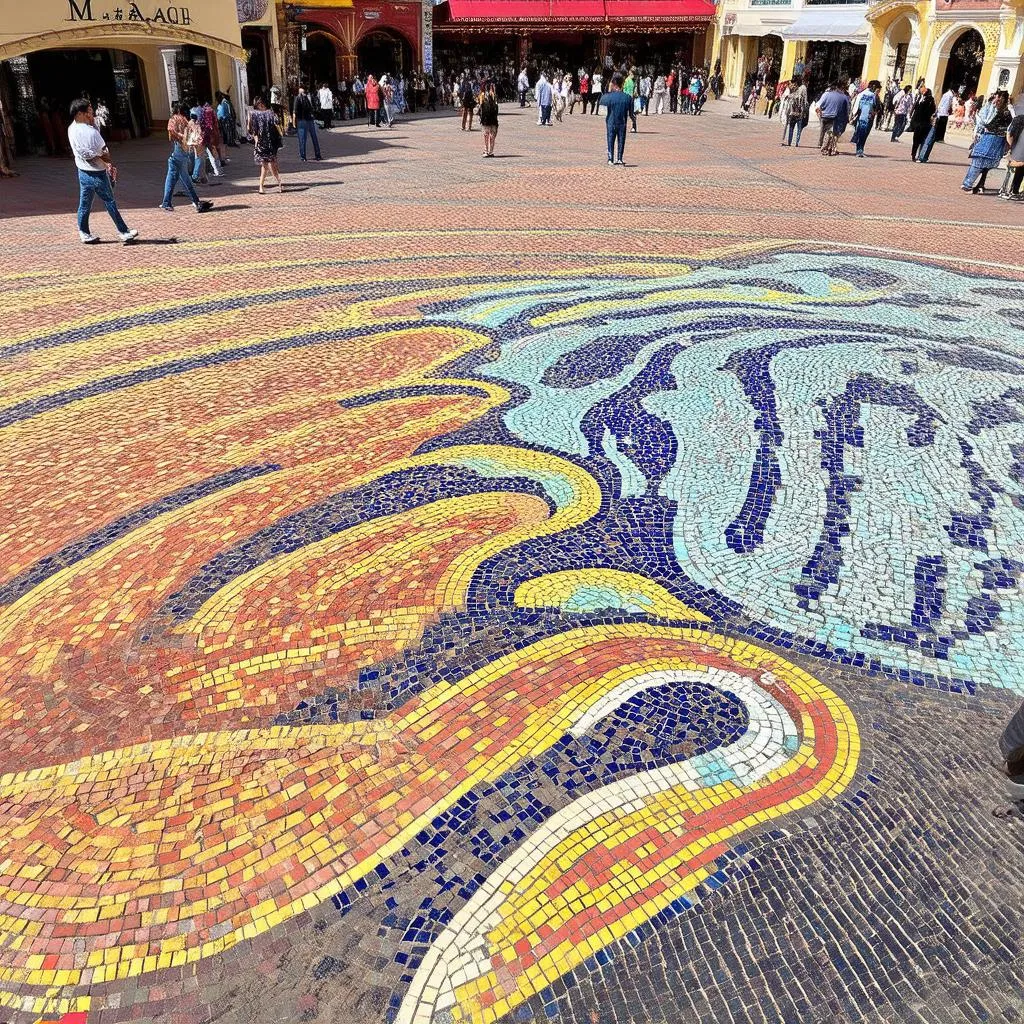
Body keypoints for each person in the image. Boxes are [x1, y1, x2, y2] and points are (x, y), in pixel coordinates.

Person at [66, 97, 138, 243]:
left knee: (84, 204)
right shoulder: (92, 132)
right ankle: (123, 231)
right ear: (81, 113)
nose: (91, 114)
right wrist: (109, 164)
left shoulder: (71, 128)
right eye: (89, 111)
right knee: (109, 201)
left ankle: (84, 232)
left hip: (82, 171)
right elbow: (105, 153)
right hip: (97, 173)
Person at [160, 100, 214, 215]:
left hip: (178, 149)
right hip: (184, 150)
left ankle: (168, 202)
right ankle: (193, 201)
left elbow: (171, 130)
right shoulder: (185, 120)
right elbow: (191, 133)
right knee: (179, 177)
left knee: (176, 175)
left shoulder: (174, 118)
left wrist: (180, 137)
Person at [962, 90, 1012, 193]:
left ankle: (971, 184)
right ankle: (968, 184)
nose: (996, 100)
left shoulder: (1004, 111)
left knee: (983, 163)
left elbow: (997, 125)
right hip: (990, 137)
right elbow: (986, 122)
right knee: (979, 162)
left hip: (994, 138)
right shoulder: (992, 108)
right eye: (996, 97)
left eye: (998, 98)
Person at [247, 94, 284, 194]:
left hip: (261, 143)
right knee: (270, 165)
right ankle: (278, 184)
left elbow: (250, 130)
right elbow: (277, 122)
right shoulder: (270, 113)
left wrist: (255, 141)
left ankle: (263, 186)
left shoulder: (254, 114)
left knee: (265, 166)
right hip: (269, 143)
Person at [599, 71, 632, 166]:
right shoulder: (627, 98)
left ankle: (610, 158)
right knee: (621, 139)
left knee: (610, 139)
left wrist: (609, 90)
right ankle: (620, 158)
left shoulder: (609, 97)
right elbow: (631, 114)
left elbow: (602, 101)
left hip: (611, 121)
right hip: (622, 122)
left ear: (613, 83)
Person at [815, 82, 850, 153]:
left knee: (826, 132)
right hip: (835, 118)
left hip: (825, 116)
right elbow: (847, 110)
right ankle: (829, 148)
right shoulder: (844, 97)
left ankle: (823, 145)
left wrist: (819, 113)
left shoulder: (826, 94)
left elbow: (818, 105)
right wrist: (846, 119)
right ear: (842, 88)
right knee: (833, 134)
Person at [850, 80, 881, 157]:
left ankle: (859, 150)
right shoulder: (873, 96)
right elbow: (875, 107)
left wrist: (853, 115)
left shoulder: (861, 94)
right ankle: (860, 151)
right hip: (868, 118)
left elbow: (856, 106)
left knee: (861, 134)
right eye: (878, 88)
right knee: (864, 135)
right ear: (874, 87)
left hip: (861, 117)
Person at [292, 85, 322, 161]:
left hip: (302, 120)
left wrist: (293, 122)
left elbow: (295, 112)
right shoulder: (308, 97)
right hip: (309, 119)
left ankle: (303, 157)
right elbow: (312, 108)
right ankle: (318, 155)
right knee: (314, 137)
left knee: (302, 139)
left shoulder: (298, 98)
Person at [998, 110, 1024, 200]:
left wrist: (1011, 147)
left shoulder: (1017, 120)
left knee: (1013, 171)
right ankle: (1012, 191)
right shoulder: (1020, 120)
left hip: (1014, 151)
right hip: (1020, 153)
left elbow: (1009, 134)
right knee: (1018, 171)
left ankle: (1006, 190)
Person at [909, 84, 936, 162]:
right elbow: (916, 108)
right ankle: (915, 155)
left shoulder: (928, 99)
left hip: (923, 123)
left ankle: (916, 155)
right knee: (919, 140)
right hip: (921, 123)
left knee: (919, 140)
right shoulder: (920, 98)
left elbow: (931, 110)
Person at [783, 78, 808, 147]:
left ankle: (792, 142)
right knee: (794, 127)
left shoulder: (801, 88)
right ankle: (792, 142)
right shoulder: (799, 88)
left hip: (797, 111)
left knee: (795, 128)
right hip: (795, 112)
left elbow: (802, 99)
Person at [478, 81, 499, 157]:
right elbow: (496, 106)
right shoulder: (493, 95)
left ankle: (486, 151)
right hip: (493, 119)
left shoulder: (482, 95)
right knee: (492, 136)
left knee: (486, 135)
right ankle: (491, 151)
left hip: (486, 119)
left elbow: (480, 107)